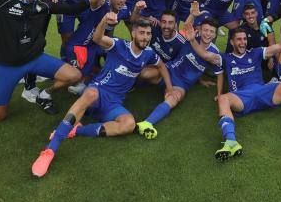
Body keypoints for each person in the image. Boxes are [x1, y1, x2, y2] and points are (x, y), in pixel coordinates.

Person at [183, 17, 281, 160]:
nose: (242, 42)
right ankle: (231, 142)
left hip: (263, 92)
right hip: (242, 97)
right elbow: (205, 55)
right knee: (224, 98)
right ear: (232, 42)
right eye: (238, 40)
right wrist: (192, 40)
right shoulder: (225, 58)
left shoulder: (255, 53)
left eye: (244, 39)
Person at [31, 17, 177, 177]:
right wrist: (104, 21)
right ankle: (50, 150)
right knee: (91, 93)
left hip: (114, 103)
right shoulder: (119, 45)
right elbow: (97, 38)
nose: (145, 37)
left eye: (148, 34)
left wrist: (169, 88)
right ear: (133, 33)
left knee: (129, 124)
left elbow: (161, 65)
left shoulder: (148, 54)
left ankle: (76, 130)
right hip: (98, 92)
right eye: (141, 33)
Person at [136, 17, 223, 139]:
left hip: (181, 84)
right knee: (144, 73)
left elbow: (218, 72)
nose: (208, 34)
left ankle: (147, 123)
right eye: (205, 30)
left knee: (173, 98)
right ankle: (125, 85)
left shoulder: (216, 54)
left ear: (215, 34)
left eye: (211, 31)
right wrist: (192, 15)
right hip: (169, 71)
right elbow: (187, 25)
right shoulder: (190, 38)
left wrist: (219, 94)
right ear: (200, 30)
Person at [63, 0, 141, 95]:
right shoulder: (101, 5)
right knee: (74, 77)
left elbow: (132, 20)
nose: (121, 0)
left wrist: (137, 9)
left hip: (96, 45)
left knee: (121, 54)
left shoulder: (123, 9)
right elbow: (93, 1)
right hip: (78, 45)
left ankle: (119, 81)